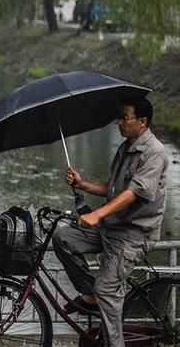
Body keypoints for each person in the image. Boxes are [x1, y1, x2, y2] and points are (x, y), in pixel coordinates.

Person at [53, 97, 168, 347]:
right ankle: (91, 295)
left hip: (133, 236)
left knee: (108, 291)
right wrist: (82, 184)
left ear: (142, 121)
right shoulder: (125, 147)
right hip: (110, 227)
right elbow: (113, 188)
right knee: (63, 238)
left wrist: (97, 214)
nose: (119, 123)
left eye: (124, 118)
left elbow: (134, 192)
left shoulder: (154, 153)